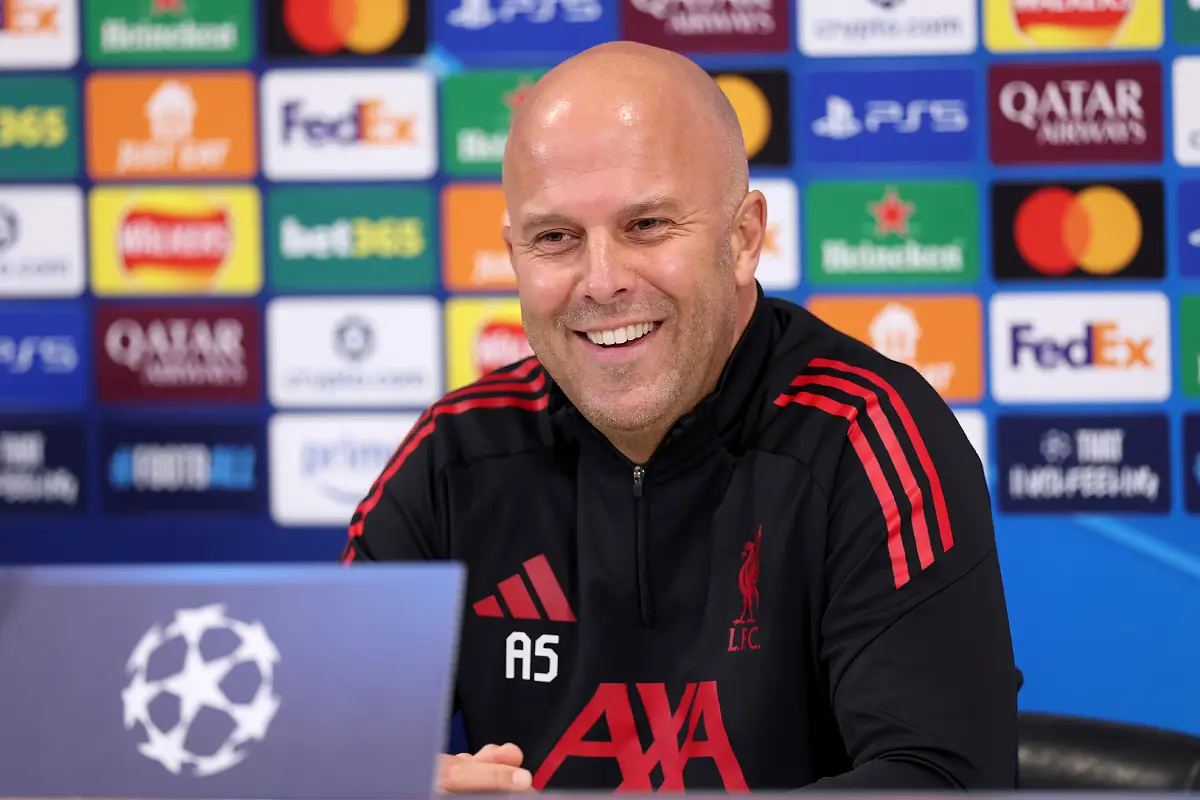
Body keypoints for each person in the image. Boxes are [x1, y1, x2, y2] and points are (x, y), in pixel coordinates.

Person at [341, 41, 1018, 793]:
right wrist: (385, 783)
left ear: (743, 239)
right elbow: (318, 753)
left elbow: (947, 780)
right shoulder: (453, 456)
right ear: (514, 255)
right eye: (556, 238)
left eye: (647, 225)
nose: (601, 282)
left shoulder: (868, 436)